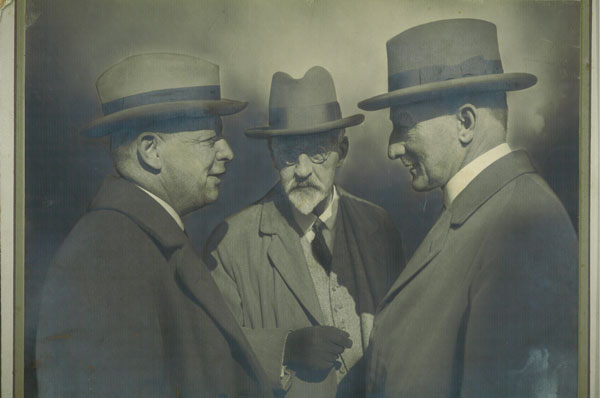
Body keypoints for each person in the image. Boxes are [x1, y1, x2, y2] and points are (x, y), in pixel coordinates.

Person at [358, 19, 578, 397]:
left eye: (404, 126)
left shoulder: (525, 228)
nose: (393, 148)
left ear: (465, 122)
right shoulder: (483, 209)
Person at [36, 53, 272, 397]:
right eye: (209, 140)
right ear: (151, 151)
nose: (227, 152)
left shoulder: (135, 240)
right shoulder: (106, 260)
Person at [204, 66, 405, 398]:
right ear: (271, 155)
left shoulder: (379, 228)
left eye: (316, 151)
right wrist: (284, 349)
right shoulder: (231, 244)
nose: (301, 170)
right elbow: (211, 356)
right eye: (287, 154)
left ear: (342, 150)